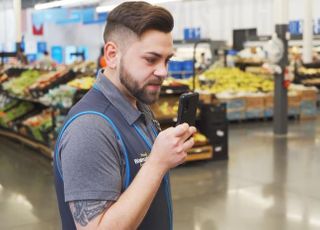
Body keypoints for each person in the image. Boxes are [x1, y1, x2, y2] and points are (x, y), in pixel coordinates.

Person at [53, 2, 196, 230]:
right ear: (112, 55)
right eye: (151, 59)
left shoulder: (137, 106)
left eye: (167, 60)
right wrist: (158, 163)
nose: (163, 72)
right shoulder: (90, 128)